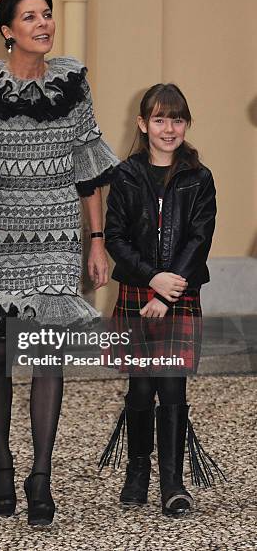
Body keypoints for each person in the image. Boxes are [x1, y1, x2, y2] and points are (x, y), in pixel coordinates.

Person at [0, 0, 119, 525]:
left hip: (57, 232)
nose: (44, 23)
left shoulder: (73, 83)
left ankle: (41, 477)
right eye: (30, 17)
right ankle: (1, 465)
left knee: (46, 352)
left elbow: (89, 169)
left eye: (48, 15)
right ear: (8, 30)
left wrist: (96, 240)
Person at [98, 83, 226, 517]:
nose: (168, 128)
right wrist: (152, 279)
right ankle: (138, 472)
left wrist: (169, 293)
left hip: (180, 294)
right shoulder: (126, 175)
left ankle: (173, 481)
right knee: (140, 387)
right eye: (159, 119)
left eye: (176, 119)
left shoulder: (199, 177)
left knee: (171, 386)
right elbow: (114, 236)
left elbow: (199, 238)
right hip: (137, 290)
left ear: (186, 124)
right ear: (142, 124)